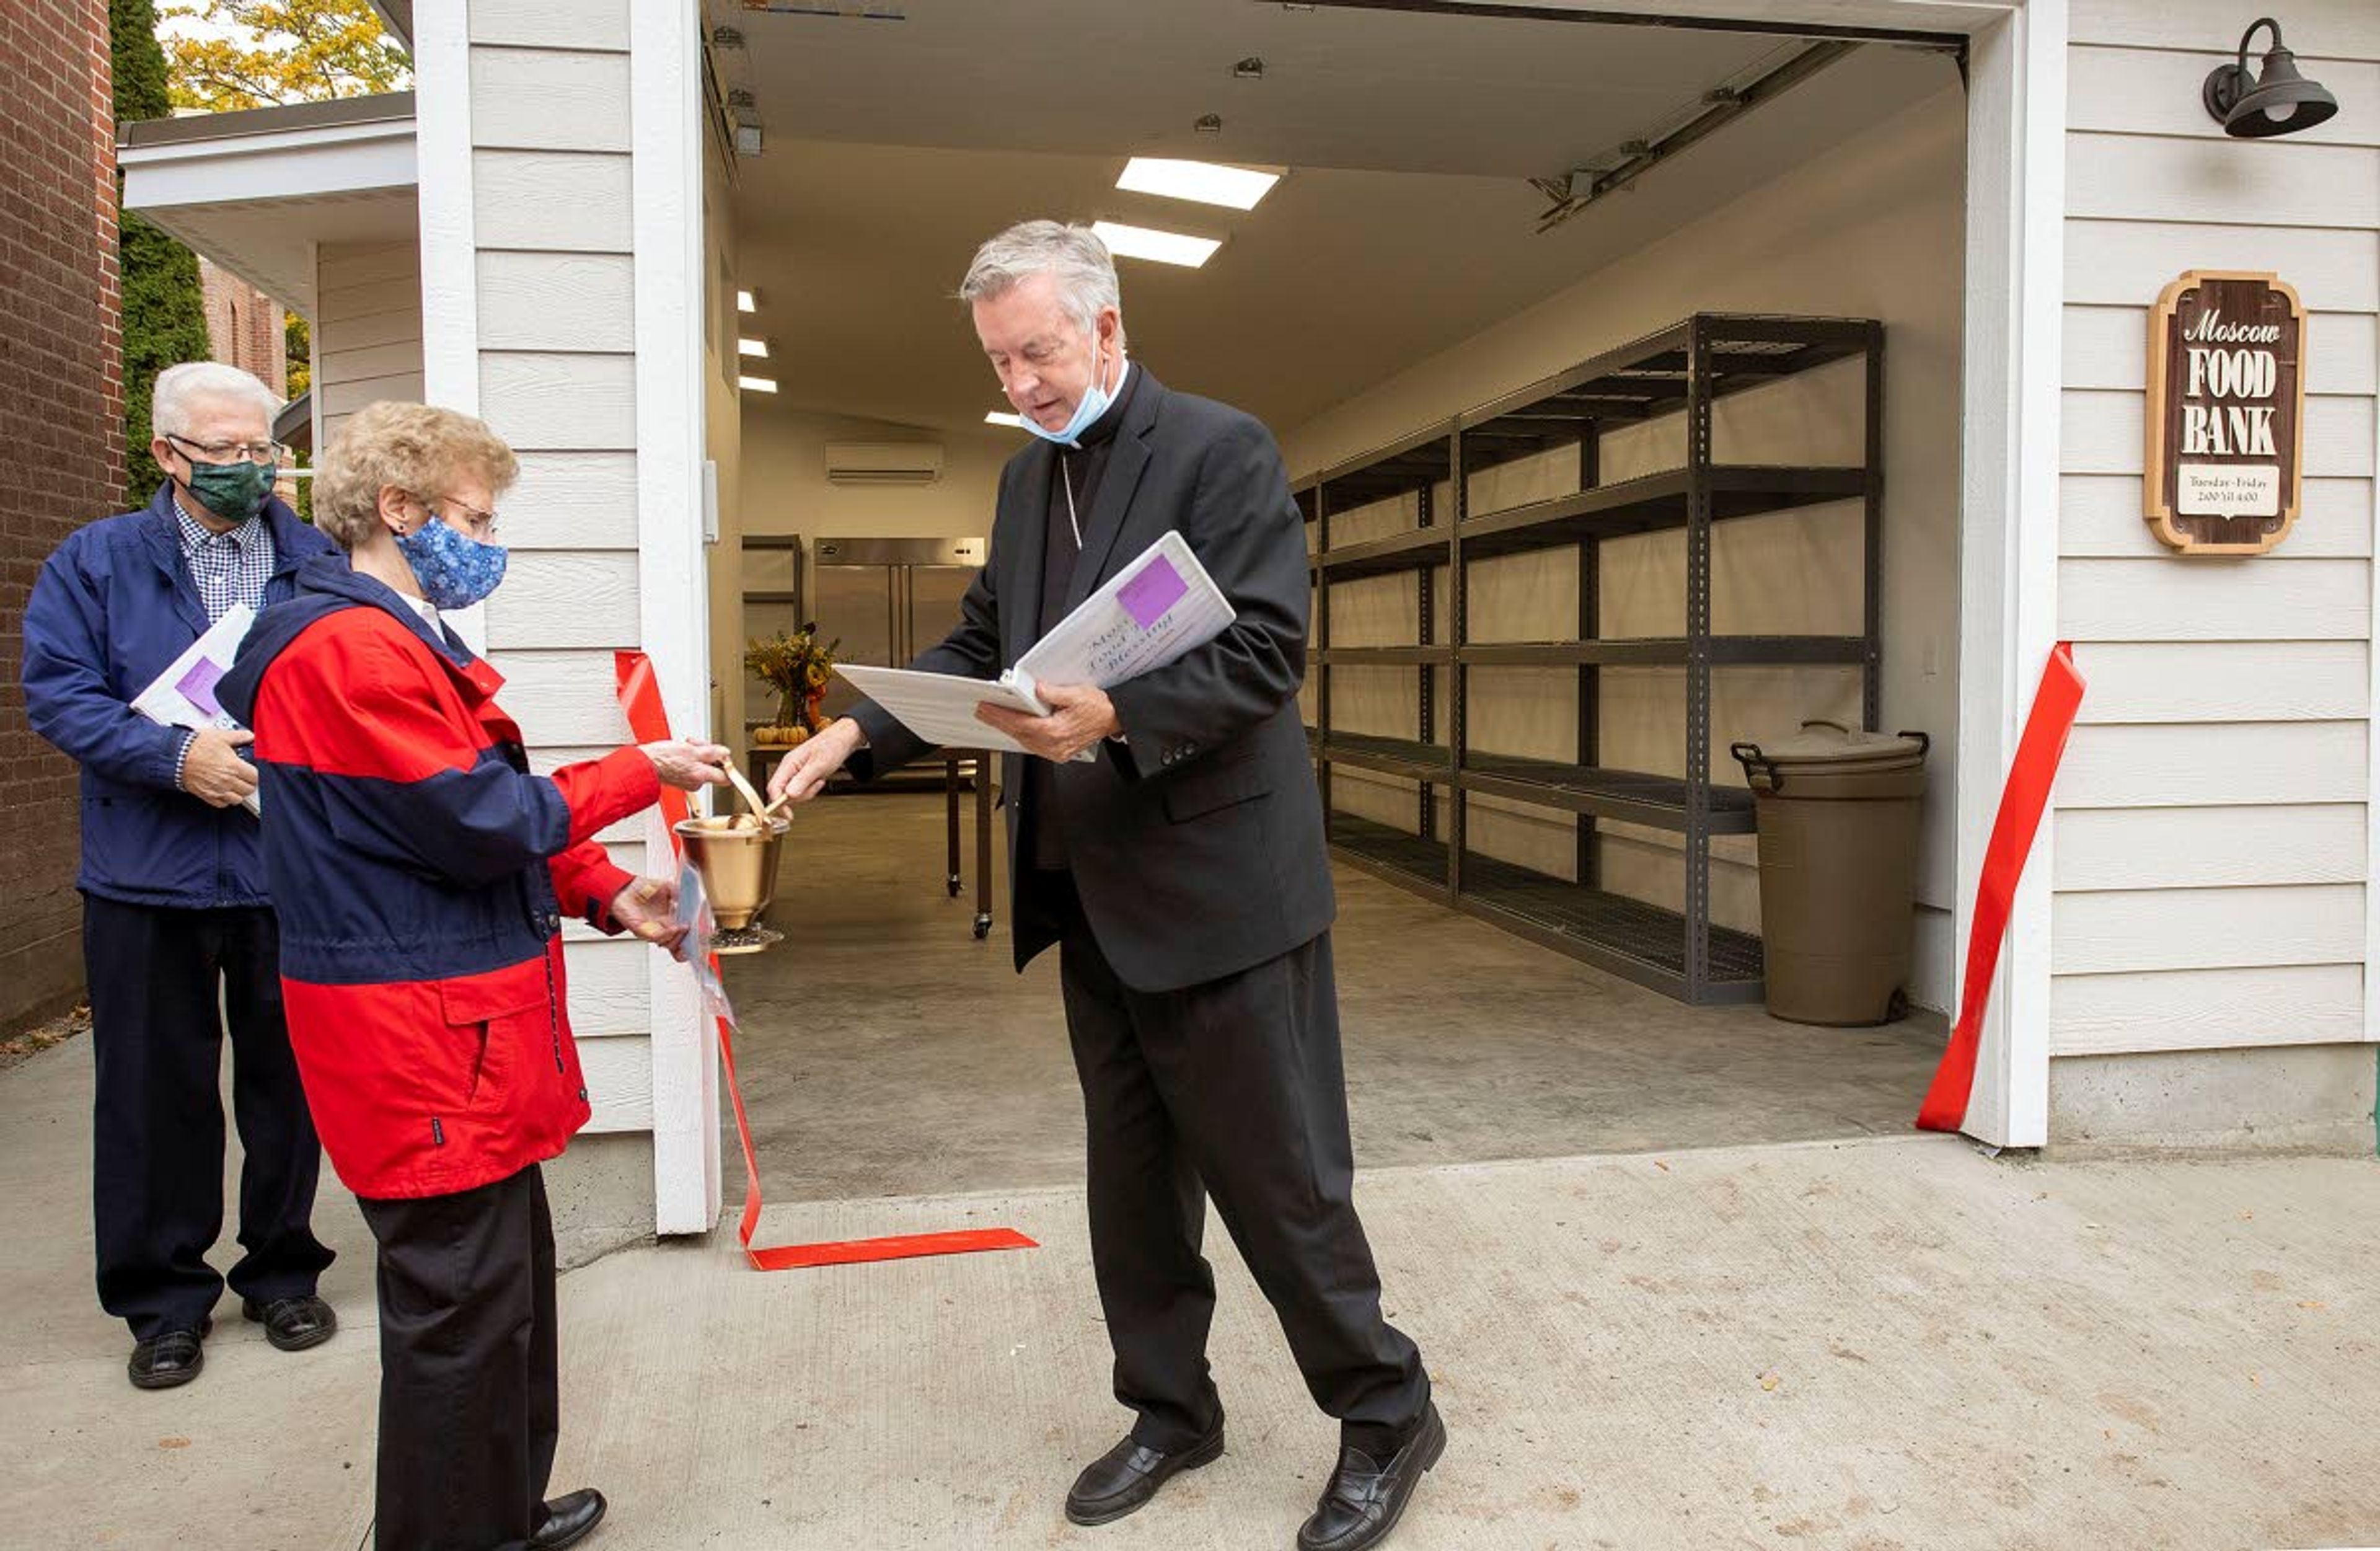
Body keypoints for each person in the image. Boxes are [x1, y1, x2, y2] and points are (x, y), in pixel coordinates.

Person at [770, 221, 1442, 1551]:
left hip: (1222, 891)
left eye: (1040, 350)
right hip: (1093, 893)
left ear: (1108, 329)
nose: (1021, 382)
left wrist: (1116, 716)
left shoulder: (1220, 447)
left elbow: (1265, 650)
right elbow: (981, 639)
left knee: (1278, 1176)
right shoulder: (1028, 485)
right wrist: (854, 729)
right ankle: (1172, 1408)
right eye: (1001, 359)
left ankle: (1387, 1409)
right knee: (1131, 1184)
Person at [216, 400, 729, 1551]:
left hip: (455, 1033)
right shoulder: (349, 649)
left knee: (505, 1299)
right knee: (458, 1312)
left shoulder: (389, 635)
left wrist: (603, 888)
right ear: (399, 509)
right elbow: (475, 816)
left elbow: (463, 816)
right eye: (473, 516)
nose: (486, 542)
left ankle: (496, 1509)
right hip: (420, 1039)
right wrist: (635, 770)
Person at [22, 361, 341, 1390]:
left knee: (288, 1085)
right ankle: (164, 1302)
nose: (249, 468)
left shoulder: (317, 558)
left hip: (282, 868)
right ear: (167, 453)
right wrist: (174, 759)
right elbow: (59, 691)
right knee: (154, 1096)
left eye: (263, 450)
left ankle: (283, 1269)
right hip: (144, 873)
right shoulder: (97, 561)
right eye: (225, 452)